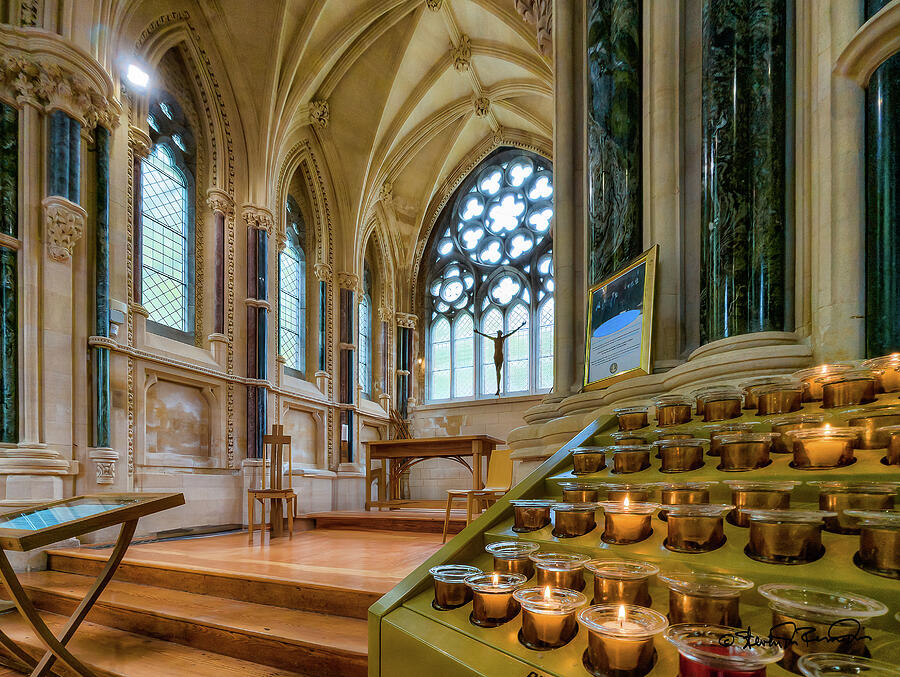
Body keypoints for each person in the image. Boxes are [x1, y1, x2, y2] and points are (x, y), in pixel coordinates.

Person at [474, 322, 526, 396]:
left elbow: (512, 332)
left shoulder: (502, 339)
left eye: (499, 333)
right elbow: (486, 336)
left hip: (500, 356)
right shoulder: (494, 339)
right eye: (498, 333)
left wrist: (520, 326)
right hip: (495, 356)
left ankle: (498, 389)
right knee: (497, 372)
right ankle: (498, 388)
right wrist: (478, 332)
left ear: (501, 334)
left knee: (498, 371)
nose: (498, 334)